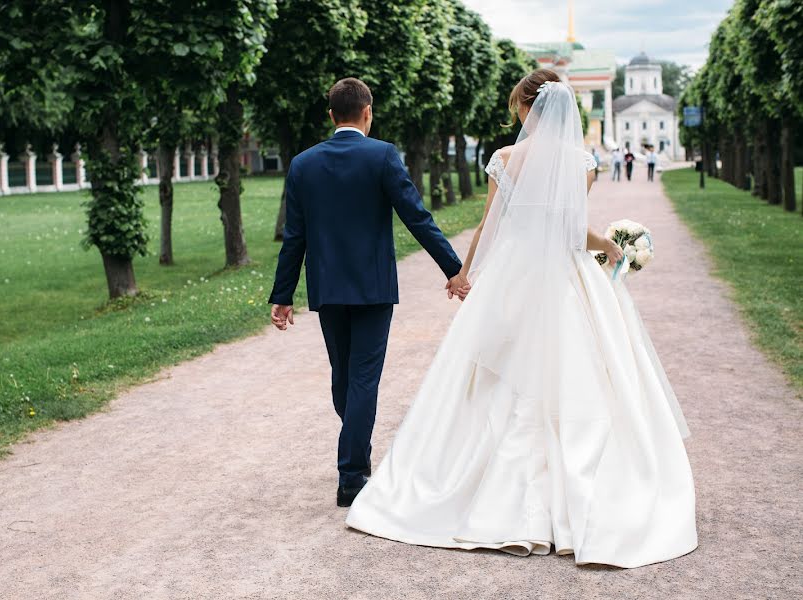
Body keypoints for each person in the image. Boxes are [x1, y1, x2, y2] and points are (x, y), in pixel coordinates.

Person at [345, 69, 697, 569]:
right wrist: (614, 250)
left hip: (513, 274)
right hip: (565, 278)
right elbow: (574, 231)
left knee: (496, 378)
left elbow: (491, 225)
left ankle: (491, 500)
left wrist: (463, 274)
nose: (517, 115)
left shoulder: (505, 159)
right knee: (582, 372)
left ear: (527, 107)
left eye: (518, 107)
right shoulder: (582, 162)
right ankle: (575, 505)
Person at [268, 77, 467, 508]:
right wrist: (454, 269)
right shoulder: (382, 156)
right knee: (359, 380)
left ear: (331, 115)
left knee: (345, 378)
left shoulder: (303, 164)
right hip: (374, 289)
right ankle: (354, 472)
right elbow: (417, 217)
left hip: (328, 289)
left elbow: (294, 237)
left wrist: (282, 295)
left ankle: (352, 468)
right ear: (367, 112)